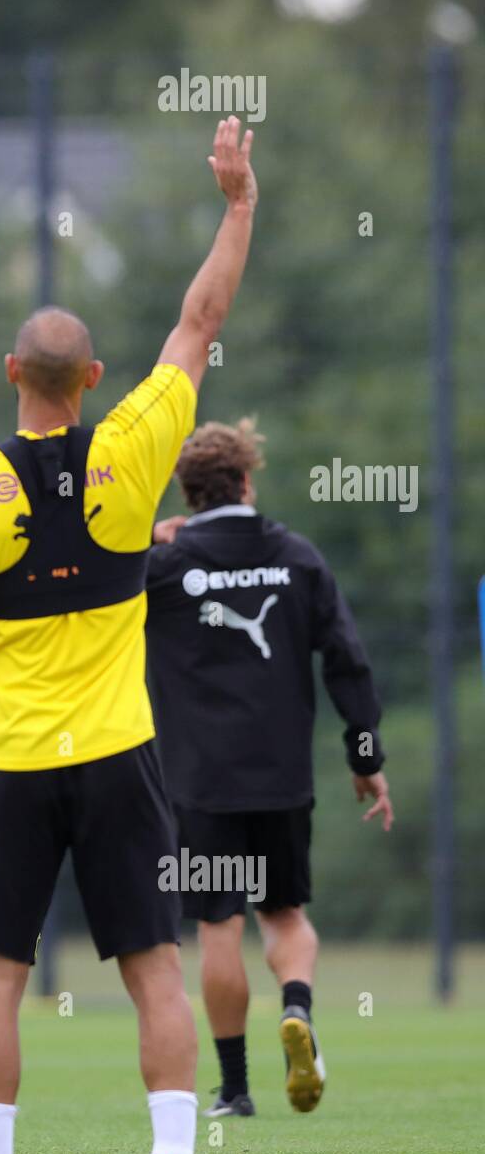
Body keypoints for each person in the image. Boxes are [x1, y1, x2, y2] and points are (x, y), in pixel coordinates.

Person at [0, 119, 257, 1154]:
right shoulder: (138, 439)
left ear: (11, 374)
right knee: (151, 967)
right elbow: (198, 322)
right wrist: (235, 202)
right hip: (117, 756)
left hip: (5, 761)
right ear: (90, 378)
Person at [145, 418, 393, 1117]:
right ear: (249, 482)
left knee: (218, 925)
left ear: (188, 494)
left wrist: (149, 540)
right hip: (282, 777)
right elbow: (348, 660)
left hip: (200, 783)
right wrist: (365, 757)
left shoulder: (164, 567)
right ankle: (298, 1008)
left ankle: (235, 1089)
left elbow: (97, 586)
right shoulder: (297, 556)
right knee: (285, 916)